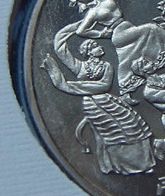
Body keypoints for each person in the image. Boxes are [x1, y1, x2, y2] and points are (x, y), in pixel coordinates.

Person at [41, 36, 155, 175]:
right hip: (92, 105)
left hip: (107, 100)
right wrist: (73, 29)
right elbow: (61, 51)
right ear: (89, 52)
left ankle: (143, 162)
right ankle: (122, 166)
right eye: (96, 46)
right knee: (112, 132)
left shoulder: (107, 66)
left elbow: (104, 86)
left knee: (132, 124)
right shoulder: (80, 66)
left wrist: (70, 85)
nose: (100, 47)